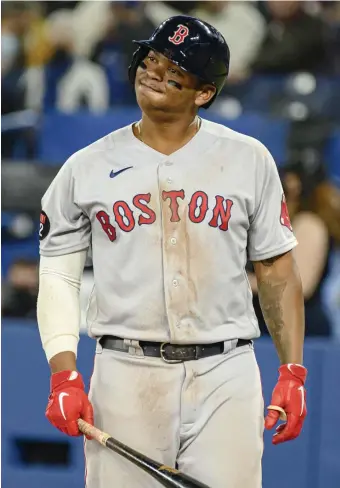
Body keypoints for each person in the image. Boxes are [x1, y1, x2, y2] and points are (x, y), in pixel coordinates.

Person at [37, 16, 307, 488]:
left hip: (225, 371)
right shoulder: (86, 167)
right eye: (152, 58)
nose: (154, 71)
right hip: (125, 371)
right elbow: (59, 275)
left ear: (203, 92)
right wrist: (64, 372)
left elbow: (276, 270)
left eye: (174, 69)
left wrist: (293, 370)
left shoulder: (248, 159)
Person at [250, 158, 340, 337]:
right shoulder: (274, 225)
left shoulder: (309, 224)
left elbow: (298, 286)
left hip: (297, 337)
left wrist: (237, 281)